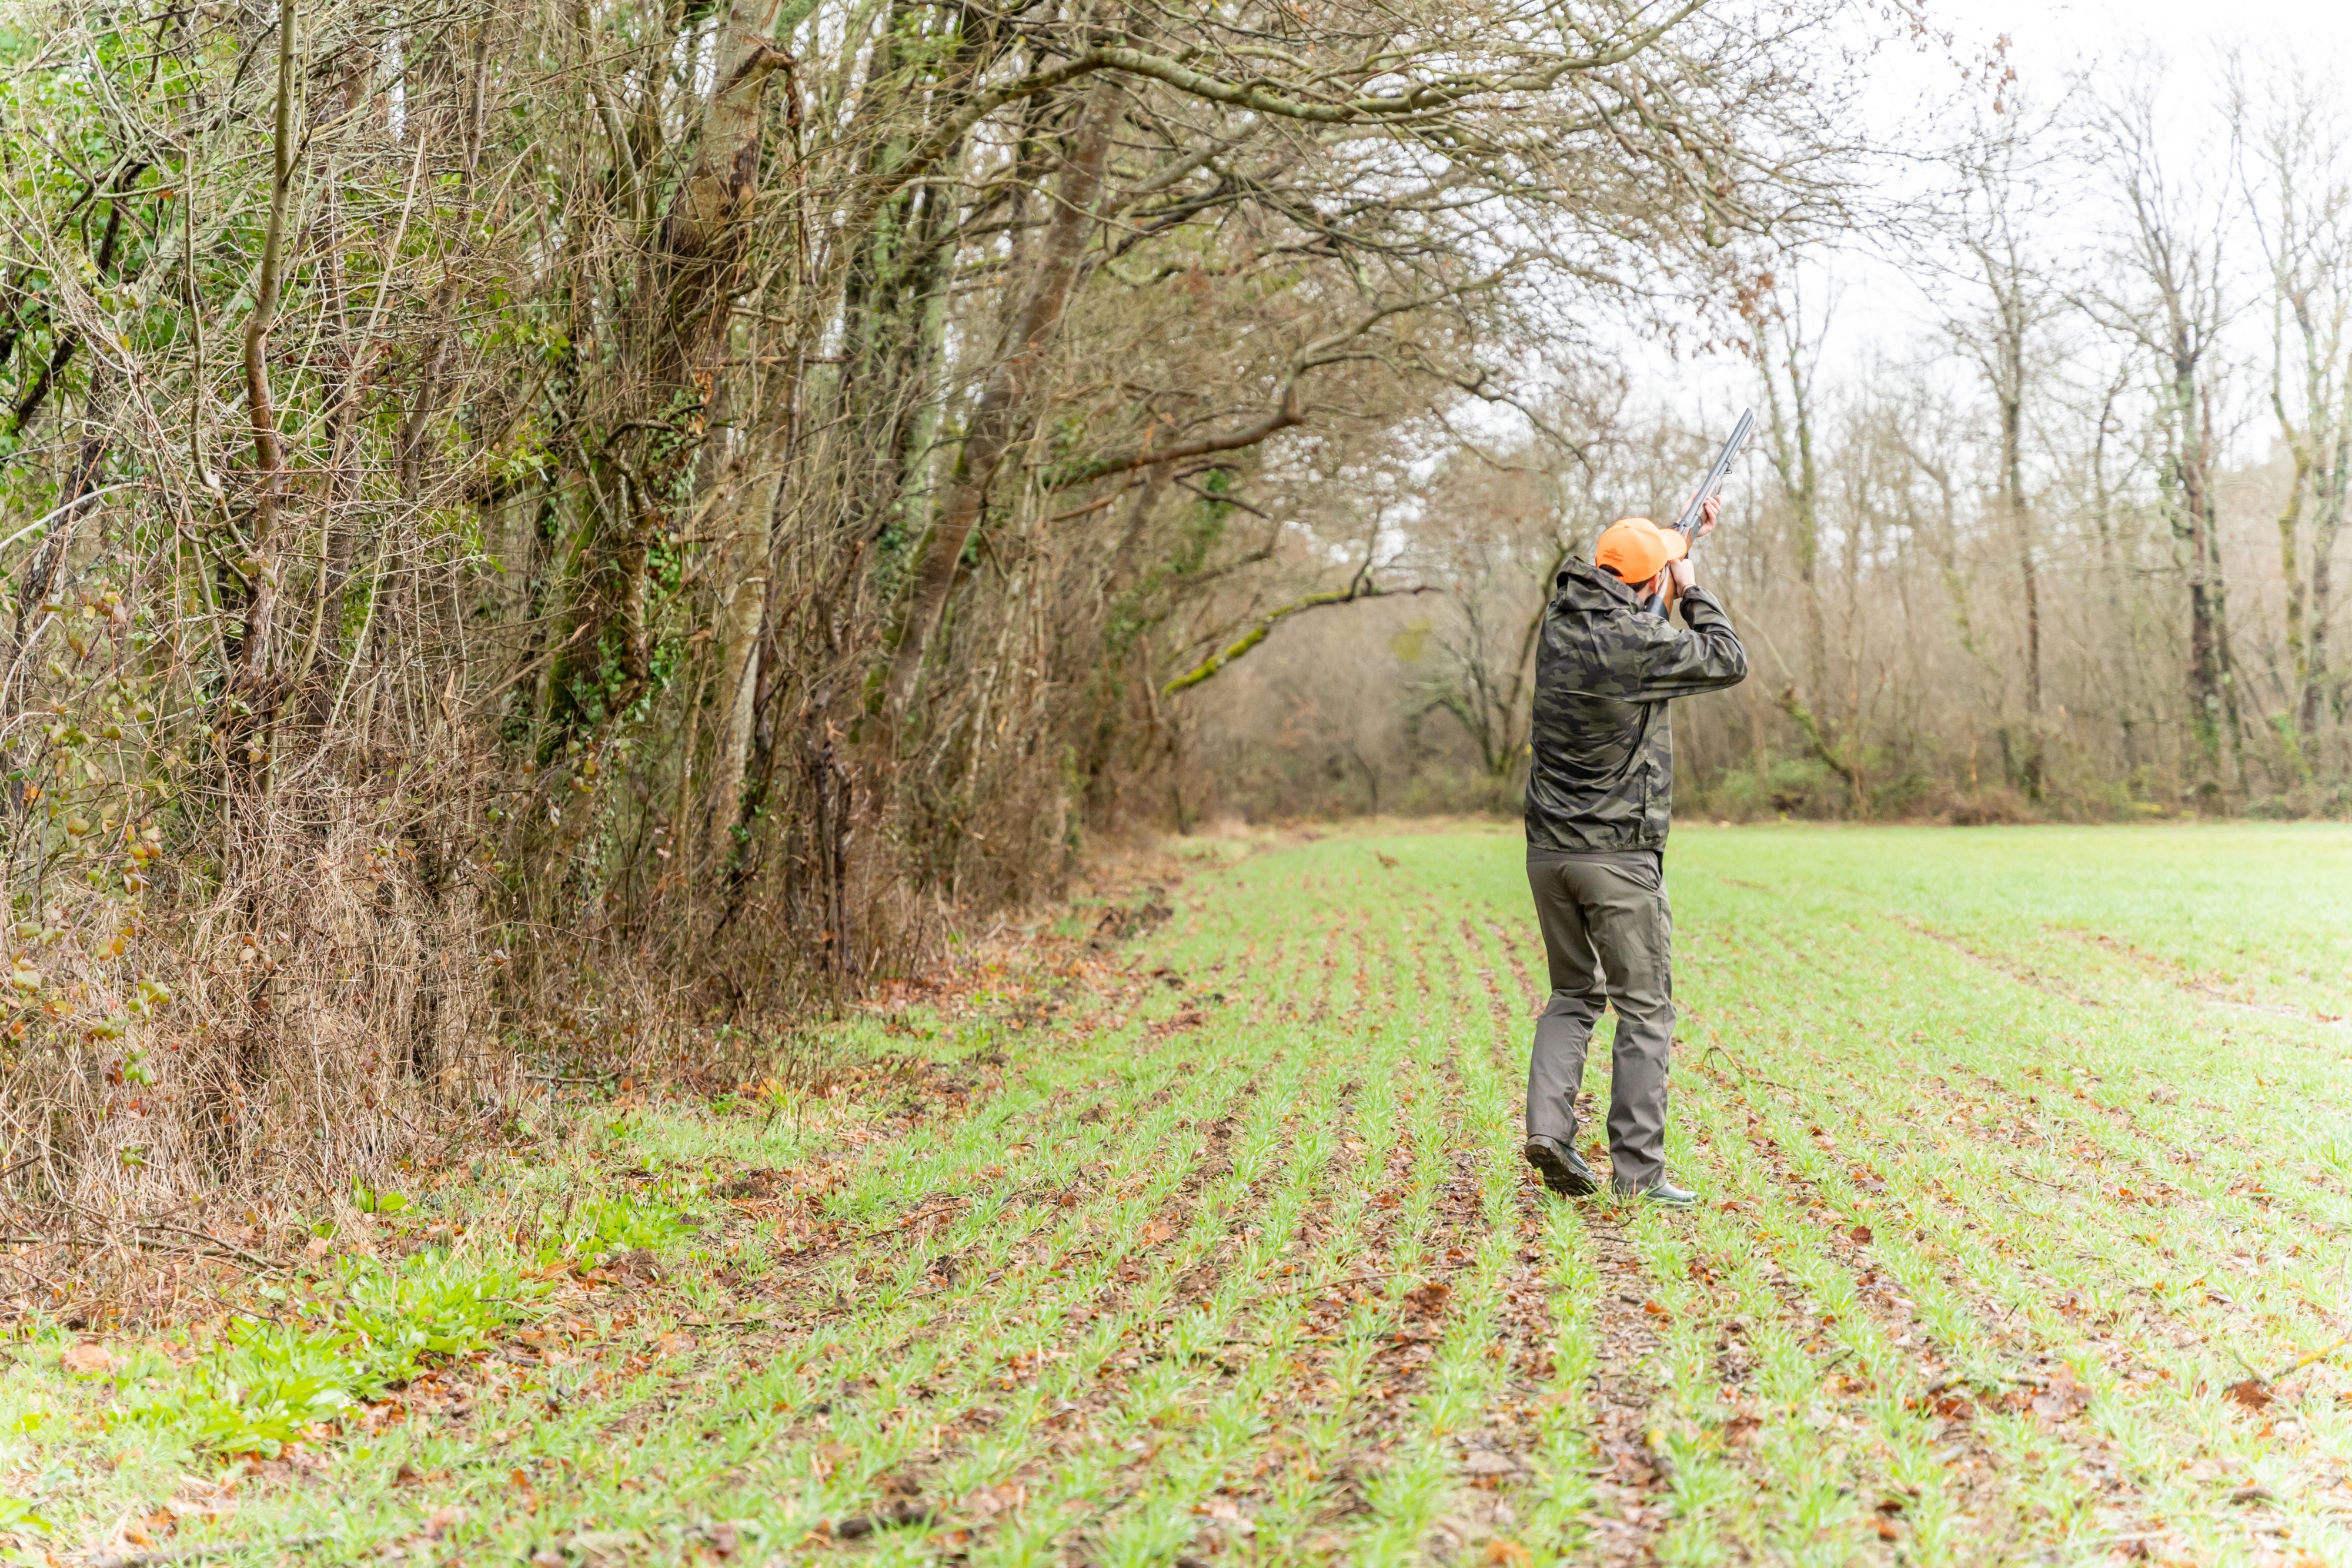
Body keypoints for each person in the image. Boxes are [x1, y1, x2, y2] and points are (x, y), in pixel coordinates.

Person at [1520, 501, 1746, 1208]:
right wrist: (1693, 586)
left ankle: (1549, 1132)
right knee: (1644, 1011)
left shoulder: (1560, 624)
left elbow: (1629, 589)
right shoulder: (1636, 644)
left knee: (1571, 995)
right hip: (1616, 858)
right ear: (1654, 587)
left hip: (1547, 854)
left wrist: (1681, 538)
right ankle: (1639, 1174)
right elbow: (1726, 658)